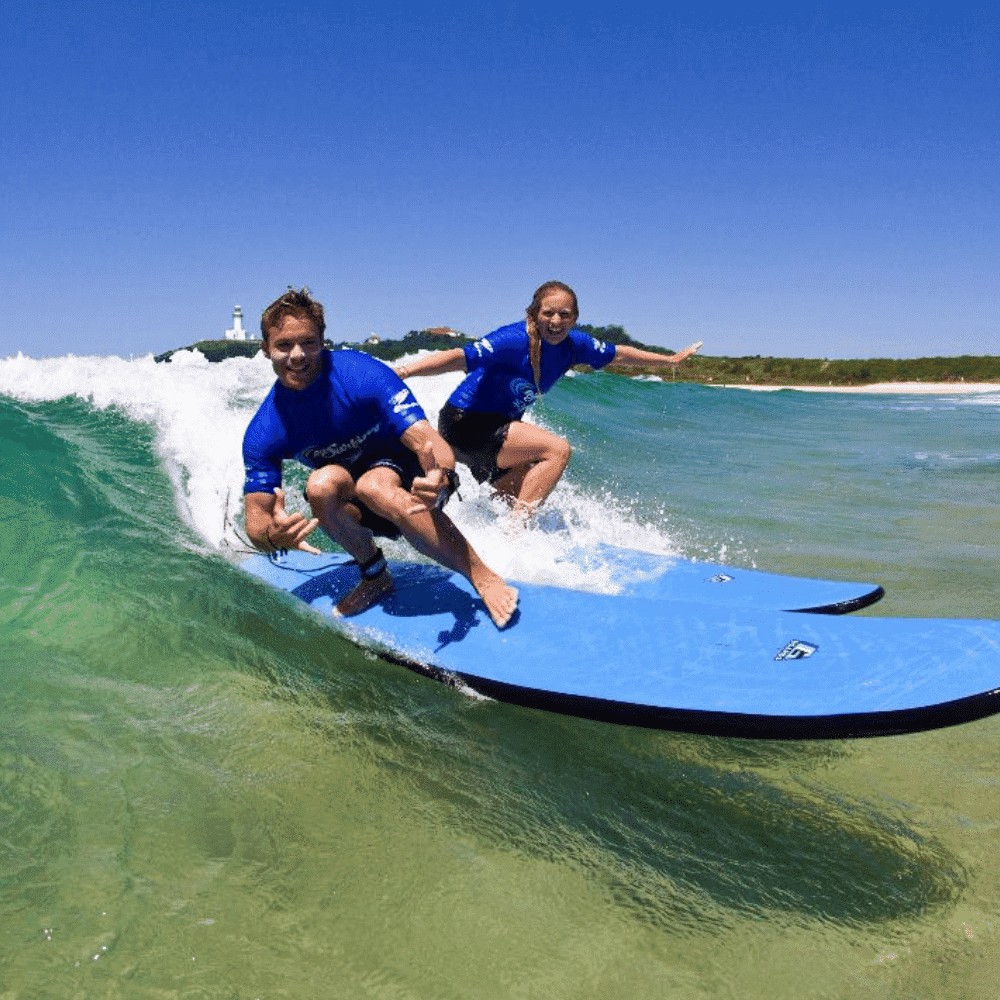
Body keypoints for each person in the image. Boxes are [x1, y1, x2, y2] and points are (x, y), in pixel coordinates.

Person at [242, 288, 519, 628]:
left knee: (375, 484)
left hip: (415, 481)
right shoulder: (266, 428)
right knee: (320, 485)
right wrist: (272, 538)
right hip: (358, 504)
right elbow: (256, 520)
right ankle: (375, 576)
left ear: (322, 341)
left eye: (308, 343)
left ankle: (481, 575)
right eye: (284, 345)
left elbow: (427, 440)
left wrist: (441, 476)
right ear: (266, 349)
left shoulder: (361, 373)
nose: (297, 355)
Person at [394, 280, 700, 518]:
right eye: (548, 312)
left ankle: (488, 544)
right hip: (466, 423)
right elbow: (460, 357)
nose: (556, 320)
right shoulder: (513, 339)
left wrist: (670, 360)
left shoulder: (574, 345)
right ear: (533, 315)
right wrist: (405, 370)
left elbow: (619, 354)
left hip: (497, 429)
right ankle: (515, 537)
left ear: (575, 318)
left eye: (565, 314)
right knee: (557, 450)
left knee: (516, 496)